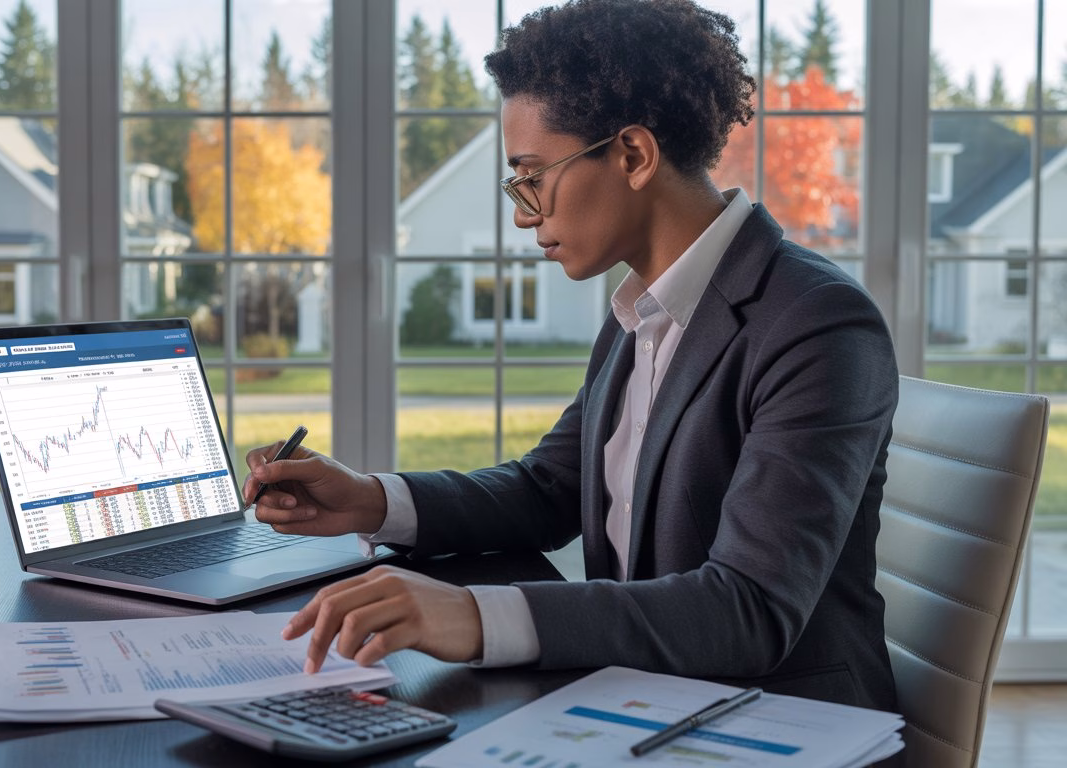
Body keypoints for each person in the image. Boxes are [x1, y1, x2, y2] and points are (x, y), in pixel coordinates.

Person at [245, 0, 899, 714]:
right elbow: (547, 490)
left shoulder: (815, 323)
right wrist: (373, 499)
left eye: (532, 177)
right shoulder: (640, 310)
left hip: (778, 719)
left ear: (633, 155)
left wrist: (469, 615)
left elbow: (750, 609)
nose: (525, 213)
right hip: (640, 697)